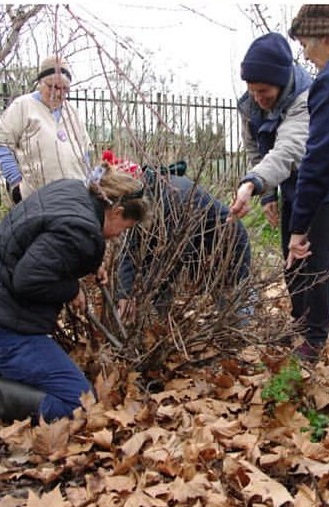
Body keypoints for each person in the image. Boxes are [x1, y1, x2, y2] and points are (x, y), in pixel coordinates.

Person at [0, 162, 148, 431]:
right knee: (78, 404)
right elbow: (28, 279)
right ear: (116, 210)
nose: (120, 235)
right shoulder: (81, 231)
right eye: (125, 226)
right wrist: (71, 288)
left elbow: (49, 241)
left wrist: (85, 262)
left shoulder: (74, 191)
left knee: (37, 373)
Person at [228, 31, 319, 360]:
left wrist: (251, 184)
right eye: (252, 90)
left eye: (263, 91)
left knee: (314, 259)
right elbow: (257, 150)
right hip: (286, 183)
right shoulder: (250, 103)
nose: (257, 98)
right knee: (290, 259)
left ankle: (315, 337)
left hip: (317, 183)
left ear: (280, 82)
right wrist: (266, 195)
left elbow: (288, 151)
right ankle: (299, 324)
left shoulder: (307, 97)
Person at [118, 161, 253, 321]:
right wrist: (125, 293)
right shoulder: (144, 198)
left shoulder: (176, 197)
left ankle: (245, 331)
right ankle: (160, 325)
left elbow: (171, 261)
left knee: (233, 308)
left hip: (227, 246)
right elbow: (130, 248)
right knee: (158, 290)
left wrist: (141, 296)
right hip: (195, 250)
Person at [0, 55, 93, 204]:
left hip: (74, 198)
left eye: (65, 89)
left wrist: (87, 181)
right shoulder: (23, 106)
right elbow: (2, 145)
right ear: (40, 82)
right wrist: (16, 186)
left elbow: (85, 152)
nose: (59, 93)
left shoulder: (72, 113)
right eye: (53, 87)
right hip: (36, 198)